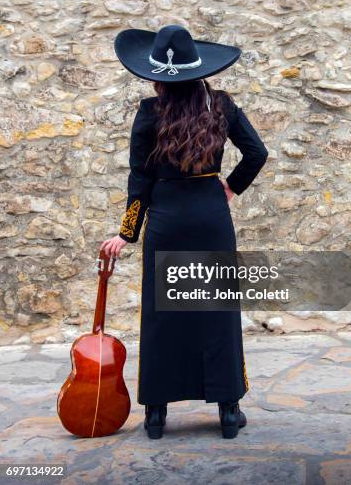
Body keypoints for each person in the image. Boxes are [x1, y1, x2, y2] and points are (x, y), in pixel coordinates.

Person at [101, 24, 268, 439]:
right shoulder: (222, 106)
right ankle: (229, 411)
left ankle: (156, 414)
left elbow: (139, 180)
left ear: (157, 75)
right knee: (217, 313)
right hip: (211, 217)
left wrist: (126, 233)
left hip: (167, 222)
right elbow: (257, 153)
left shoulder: (149, 112)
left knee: (163, 314)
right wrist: (230, 186)